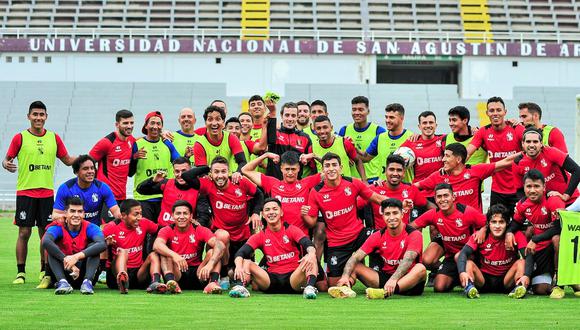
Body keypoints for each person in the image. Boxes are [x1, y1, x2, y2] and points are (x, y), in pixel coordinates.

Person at [3, 101, 76, 285]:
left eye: (41, 114)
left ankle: (45, 270)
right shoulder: (19, 138)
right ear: (29, 116)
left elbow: (68, 160)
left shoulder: (54, 138)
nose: (38, 118)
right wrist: (6, 164)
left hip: (46, 194)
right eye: (35, 114)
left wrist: (88, 158)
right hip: (25, 193)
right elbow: (7, 159)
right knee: (24, 233)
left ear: (46, 117)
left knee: (46, 235)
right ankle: (21, 272)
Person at [302, 153, 386, 286]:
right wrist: (305, 214)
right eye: (327, 166)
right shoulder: (316, 192)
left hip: (359, 234)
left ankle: (385, 273)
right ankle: (353, 273)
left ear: (340, 168)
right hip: (337, 242)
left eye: (334, 165)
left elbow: (376, 198)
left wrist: (399, 203)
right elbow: (312, 222)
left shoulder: (352, 182)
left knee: (383, 238)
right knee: (334, 284)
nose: (331, 169)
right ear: (322, 170)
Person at [181, 156, 264, 290]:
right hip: (222, 239)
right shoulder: (208, 185)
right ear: (211, 174)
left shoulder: (240, 182)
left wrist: (255, 213)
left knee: (246, 280)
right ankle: (224, 275)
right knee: (222, 235)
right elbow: (186, 176)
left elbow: (259, 194)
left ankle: (237, 273)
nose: (220, 176)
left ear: (229, 172)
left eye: (223, 172)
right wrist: (208, 168)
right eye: (216, 172)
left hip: (243, 237)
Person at [333, 198, 426, 298]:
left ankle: (384, 293)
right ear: (383, 216)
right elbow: (356, 257)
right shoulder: (378, 235)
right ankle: (345, 288)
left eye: (395, 213)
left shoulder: (414, 234)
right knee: (355, 265)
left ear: (402, 214)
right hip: (386, 279)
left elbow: (408, 260)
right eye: (387, 214)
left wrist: (393, 280)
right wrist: (345, 276)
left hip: (409, 282)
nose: (391, 217)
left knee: (420, 268)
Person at [228, 198, 319, 299]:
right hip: (270, 280)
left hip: (293, 278)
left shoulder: (291, 230)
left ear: (281, 213)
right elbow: (241, 253)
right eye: (267, 210)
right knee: (245, 261)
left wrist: (311, 254)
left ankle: (310, 288)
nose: (271, 212)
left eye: (275, 209)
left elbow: (308, 244)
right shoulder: (260, 236)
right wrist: (239, 266)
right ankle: (241, 288)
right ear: (263, 214)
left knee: (311, 256)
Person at [411, 183, 486, 292]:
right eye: (439, 197)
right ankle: (453, 275)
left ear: (453, 197)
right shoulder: (434, 214)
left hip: (470, 255)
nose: (443, 199)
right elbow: (411, 227)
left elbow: (487, 222)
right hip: (450, 256)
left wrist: (483, 230)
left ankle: (469, 275)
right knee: (439, 287)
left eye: (446, 196)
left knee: (459, 256)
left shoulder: (466, 211)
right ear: (435, 200)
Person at [508, 169, 569, 298]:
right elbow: (516, 224)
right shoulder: (522, 204)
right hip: (540, 250)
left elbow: (559, 228)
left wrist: (535, 239)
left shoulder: (553, 200)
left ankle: (559, 280)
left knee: (556, 238)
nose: (532, 190)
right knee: (541, 289)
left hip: (557, 248)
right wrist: (509, 232)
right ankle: (529, 279)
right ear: (524, 187)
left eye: (537, 186)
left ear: (544, 187)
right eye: (529, 186)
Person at [457, 204, 533, 299]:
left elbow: (528, 256)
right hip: (483, 280)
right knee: (468, 263)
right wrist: (462, 272)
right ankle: (469, 287)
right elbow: (463, 253)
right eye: (494, 222)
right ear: (488, 223)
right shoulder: (479, 235)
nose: (497, 226)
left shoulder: (516, 235)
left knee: (521, 262)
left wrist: (527, 276)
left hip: (506, 280)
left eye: (501, 222)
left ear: (507, 223)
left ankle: (520, 287)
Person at [416, 143, 515, 212]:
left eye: (447, 156)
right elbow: (414, 187)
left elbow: (505, 162)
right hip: (451, 227)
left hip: (475, 228)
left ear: (458, 159)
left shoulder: (476, 171)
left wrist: (527, 152)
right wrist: (428, 205)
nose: (443, 159)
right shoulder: (438, 176)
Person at [153, 200, 225, 294]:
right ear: (172, 216)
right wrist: (175, 256)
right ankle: (172, 283)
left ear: (191, 216)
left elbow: (220, 245)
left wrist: (210, 265)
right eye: (178, 213)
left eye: (185, 213)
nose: (181, 217)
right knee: (164, 253)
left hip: (198, 273)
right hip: (177, 272)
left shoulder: (200, 230)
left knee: (213, 252)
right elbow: (157, 245)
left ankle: (212, 283)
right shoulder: (166, 230)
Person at [242, 151, 321, 235]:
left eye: (293, 169)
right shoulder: (272, 184)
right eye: (287, 169)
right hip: (277, 240)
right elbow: (245, 170)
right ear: (281, 168)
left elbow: (333, 171)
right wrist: (266, 155)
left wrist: (314, 156)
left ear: (298, 168)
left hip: (301, 241)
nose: (290, 173)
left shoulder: (306, 183)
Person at [467, 96, 524, 212]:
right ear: (487, 113)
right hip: (497, 191)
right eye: (492, 110)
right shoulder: (483, 132)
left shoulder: (517, 129)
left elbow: (533, 148)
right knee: (495, 227)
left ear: (505, 112)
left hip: (519, 189)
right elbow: (467, 153)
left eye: (499, 110)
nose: (495, 113)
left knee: (524, 229)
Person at [42, 197, 106, 294]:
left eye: (80, 211)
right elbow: (46, 241)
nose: (76, 215)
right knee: (52, 247)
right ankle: (62, 283)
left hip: (83, 271)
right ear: (65, 213)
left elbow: (102, 244)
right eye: (72, 211)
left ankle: (87, 282)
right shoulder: (58, 226)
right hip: (64, 270)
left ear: (84, 214)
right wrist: (67, 260)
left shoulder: (90, 227)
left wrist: (76, 257)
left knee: (95, 247)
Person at [103, 199, 165, 294]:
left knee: (154, 255)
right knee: (123, 252)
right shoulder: (111, 227)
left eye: (140, 214)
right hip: (115, 274)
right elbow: (95, 243)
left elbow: (163, 230)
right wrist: (105, 243)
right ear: (123, 215)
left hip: (138, 273)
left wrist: (188, 225)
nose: (139, 217)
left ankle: (155, 283)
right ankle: (122, 279)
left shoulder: (144, 223)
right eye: (136, 214)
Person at [130, 111, 181, 221]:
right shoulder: (137, 144)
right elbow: (130, 173)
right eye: (152, 123)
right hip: (143, 198)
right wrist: (134, 158)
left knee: (162, 232)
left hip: (164, 197)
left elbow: (180, 163)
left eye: (158, 124)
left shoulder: (167, 144)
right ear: (146, 125)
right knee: (146, 234)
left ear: (162, 127)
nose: (155, 126)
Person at [359, 155, 432, 230]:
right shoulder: (373, 190)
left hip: (404, 238)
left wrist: (415, 225)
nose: (395, 173)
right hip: (379, 238)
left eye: (399, 170)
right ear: (385, 171)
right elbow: (353, 205)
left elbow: (428, 205)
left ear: (403, 173)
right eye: (391, 169)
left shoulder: (410, 189)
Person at [89, 109, 136, 223]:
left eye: (131, 123)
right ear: (117, 124)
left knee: (119, 231)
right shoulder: (107, 142)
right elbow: (88, 162)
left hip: (121, 196)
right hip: (105, 196)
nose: (129, 126)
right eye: (125, 123)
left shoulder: (131, 141)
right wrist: (96, 181)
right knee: (106, 231)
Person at [513, 127, 580, 206]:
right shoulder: (518, 163)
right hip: (546, 206)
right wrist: (526, 206)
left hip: (570, 201)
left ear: (541, 143)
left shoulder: (551, 152)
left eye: (535, 142)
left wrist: (566, 195)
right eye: (528, 142)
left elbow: (577, 170)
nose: (531, 145)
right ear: (523, 144)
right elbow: (520, 190)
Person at [136, 157, 210, 226]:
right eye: (177, 171)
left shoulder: (199, 190)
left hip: (184, 231)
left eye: (184, 171)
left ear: (191, 171)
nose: (180, 175)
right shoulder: (166, 184)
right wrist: (153, 181)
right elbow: (140, 190)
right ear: (173, 172)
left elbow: (204, 217)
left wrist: (197, 225)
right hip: (163, 229)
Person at [53, 155, 120, 226]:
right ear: (76, 172)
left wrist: (123, 217)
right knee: (52, 230)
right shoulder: (65, 188)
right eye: (85, 169)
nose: (90, 171)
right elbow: (56, 214)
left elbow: (115, 210)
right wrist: (69, 216)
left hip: (94, 232)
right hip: (72, 230)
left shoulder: (102, 187)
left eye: (92, 168)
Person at [360, 103, 413, 182]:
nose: (387, 120)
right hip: (384, 188)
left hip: (405, 189)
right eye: (386, 117)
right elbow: (365, 158)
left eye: (391, 117)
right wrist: (351, 149)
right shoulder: (380, 138)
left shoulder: (411, 138)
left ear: (402, 118)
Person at [338, 96, 386, 182]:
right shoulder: (344, 130)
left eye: (360, 109)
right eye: (354, 109)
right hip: (352, 180)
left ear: (368, 111)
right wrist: (347, 156)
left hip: (373, 179)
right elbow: (338, 154)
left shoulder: (379, 131)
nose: (356, 112)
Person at [263, 102, 313, 179]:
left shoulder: (305, 137)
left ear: (297, 117)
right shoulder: (275, 134)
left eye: (293, 116)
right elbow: (262, 148)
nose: (290, 119)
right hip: (274, 184)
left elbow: (312, 165)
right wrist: (272, 112)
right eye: (287, 115)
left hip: (295, 186)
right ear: (281, 116)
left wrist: (308, 157)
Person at [193, 105, 247, 177]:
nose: (214, 123)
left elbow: (242, 162)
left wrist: (238, 173)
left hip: (228, 179)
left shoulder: (231, 138)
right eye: (210, 119)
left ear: (223, 122)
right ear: (205, 123)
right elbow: (201, 171)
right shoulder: (199, 144)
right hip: (210, 180)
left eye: (218, 119)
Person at [308, 115, 365, 180]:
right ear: (314, 130)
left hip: (346, 187)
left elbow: (358, 161)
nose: (322, 131)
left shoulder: (344, 143)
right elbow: (313, 170)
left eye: (325, 127)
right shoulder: (312, 148)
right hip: (325, 187)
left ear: (331, 128)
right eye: (318, 128)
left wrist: (364, 181)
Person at [401, 111, 446, 189]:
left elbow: (461, 136)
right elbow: (394, 158)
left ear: (436, 125)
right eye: (424, 123)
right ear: (419, 126)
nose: (428, 125)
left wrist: (472, 129)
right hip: (419, 189)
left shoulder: (443, 139)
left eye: (431, 122)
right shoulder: (412, 141)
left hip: (440, 189)